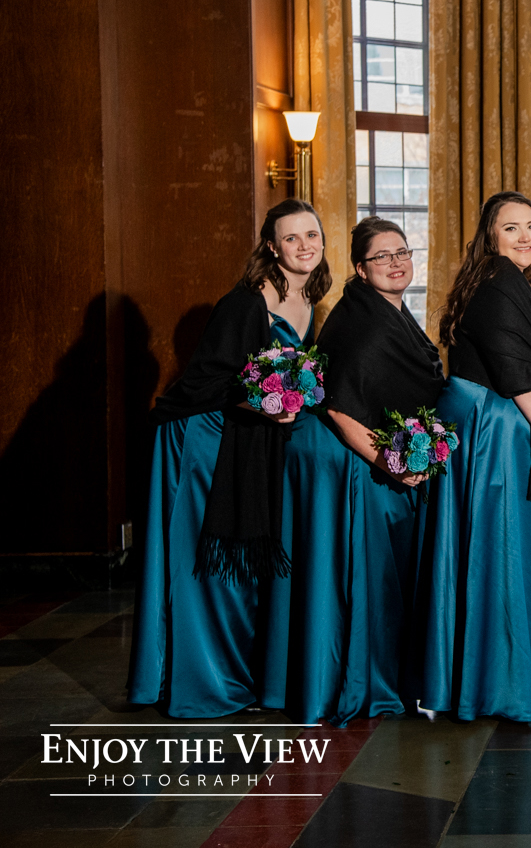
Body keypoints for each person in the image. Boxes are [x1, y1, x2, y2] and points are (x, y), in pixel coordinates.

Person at [129, 198, 328, 717]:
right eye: (291, 238)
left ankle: (239, 675)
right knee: (206, 565)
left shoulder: (311, 301)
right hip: (202, 436)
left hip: (248, 437)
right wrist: (266, 402)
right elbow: (209, 380)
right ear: (272, 247)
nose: (304, 246)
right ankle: (203, 686)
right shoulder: (245, 303)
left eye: (312, 235)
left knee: (242, 569)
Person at [415, 191, 531, 722]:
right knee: (507, 552)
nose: (525, 236)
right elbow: (519, 375)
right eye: (511, 228)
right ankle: (503, 680)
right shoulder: (497, 283)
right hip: (505, 437)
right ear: (490, 237)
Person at [281, 217, 444, 725]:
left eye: (402, 252)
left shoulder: (389, 310)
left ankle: (391, 678)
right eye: (382, 256)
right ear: (360, 268)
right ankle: (370, 685)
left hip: (387, 467)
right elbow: (339, 406)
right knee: (373, 585)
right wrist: (390, 462)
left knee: (392, 582)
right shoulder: (362, 322)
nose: (396, 263)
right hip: (362, 471)